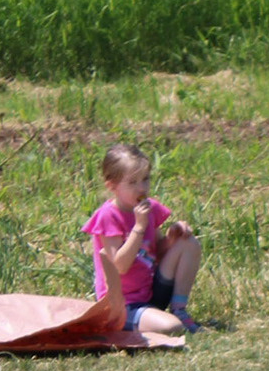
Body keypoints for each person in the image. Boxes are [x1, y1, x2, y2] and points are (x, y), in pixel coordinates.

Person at [82, 142, 202, 335]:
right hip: (123, 304)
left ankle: (179, 310)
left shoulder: (150, 208)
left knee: (188, 243)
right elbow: (120, 266)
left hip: (149, 292)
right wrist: (139, 227)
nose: (142, 188)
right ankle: (152, 321)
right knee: (171, 327)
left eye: (145, 179)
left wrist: (171, 239)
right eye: (132, 182)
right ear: (112, 186)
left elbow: (156, 253)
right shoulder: (108, 217)